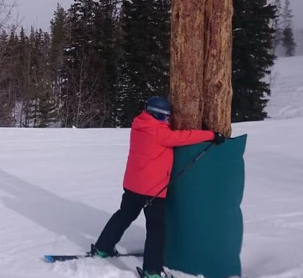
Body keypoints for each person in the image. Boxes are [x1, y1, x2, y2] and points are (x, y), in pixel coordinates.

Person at [90, 96, 226, 278]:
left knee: (123, 216)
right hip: (153, 190)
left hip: (133, 185)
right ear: (157, 115)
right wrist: (212, 135)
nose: (168, 121)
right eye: (165, 117)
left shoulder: (138, 125)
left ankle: (102, 248)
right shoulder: (159, 133)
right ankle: (152, 270)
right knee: (156, 228)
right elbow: (185, 137)